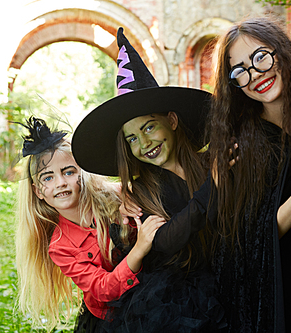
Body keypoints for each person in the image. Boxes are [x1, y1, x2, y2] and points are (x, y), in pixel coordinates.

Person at [72, 28, 225, 332]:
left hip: (227, 274)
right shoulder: (141, 191)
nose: (143, 143)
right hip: (174, 296)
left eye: (149, 127)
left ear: (172, 120)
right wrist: (212, 188)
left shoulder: (210, 163)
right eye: (131, 138)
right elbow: (165, 240)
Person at [206, 16, 291, 332]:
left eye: (261, 57)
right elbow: (254, 234)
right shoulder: (242, 144)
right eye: (241, 71)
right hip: (277, 290)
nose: (255, 74)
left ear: (283, 52)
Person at [14, 116, 165, 332]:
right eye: (48, 178)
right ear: (38, 191)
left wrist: (129, 200)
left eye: (68, 172)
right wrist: (139, 248)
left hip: (153, 290)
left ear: (81, 174)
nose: (61, 183)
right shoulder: (60, 247)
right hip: (113, 316)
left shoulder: (114, 198)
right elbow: (103, 289)